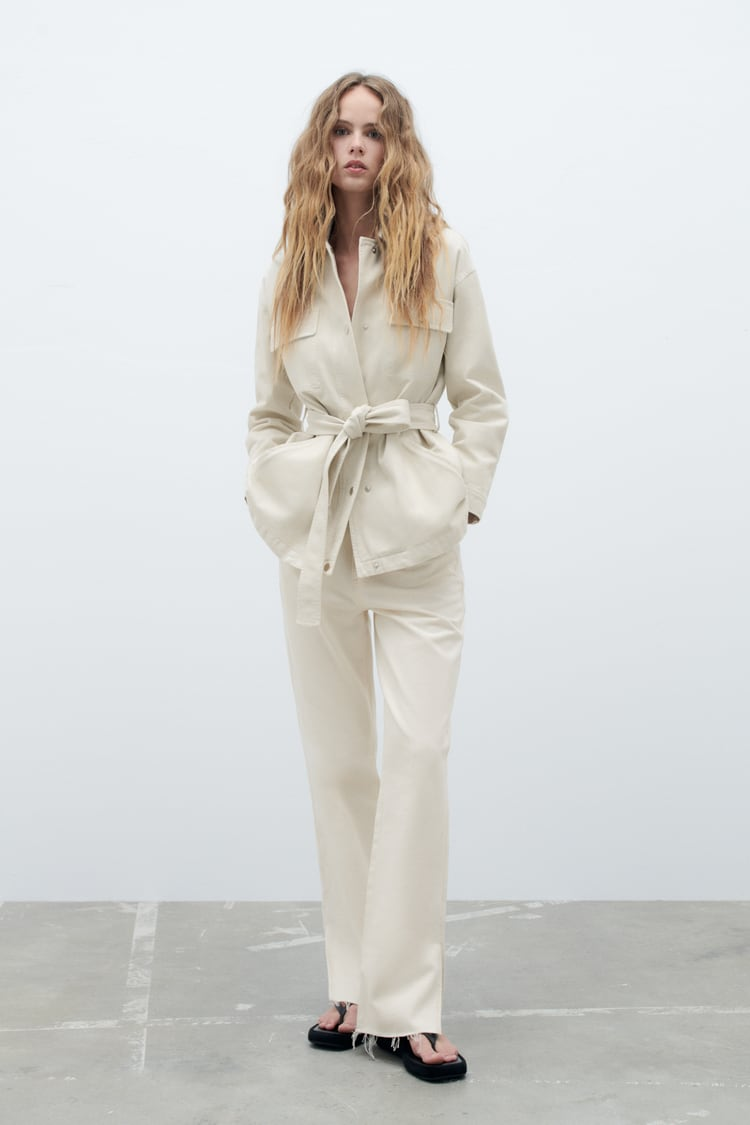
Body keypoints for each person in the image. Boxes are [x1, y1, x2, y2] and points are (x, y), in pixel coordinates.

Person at [243, 71, 508, 1083]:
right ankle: (356, 982)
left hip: (416, 540)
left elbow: (481, 400)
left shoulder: (444, 254)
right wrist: (275, 499)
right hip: (318, 539)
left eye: (377, 130)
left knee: (419, 756)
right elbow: (268, 413)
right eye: (342, 129)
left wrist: (458, 498)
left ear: (398, 148)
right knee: (339, 763)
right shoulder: (289, 266)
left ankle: (411, 1005)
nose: (358, 144)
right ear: (323, 146)